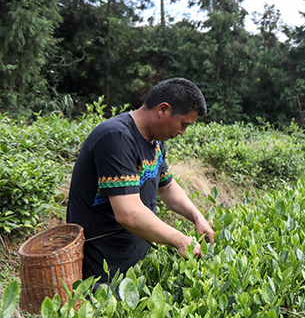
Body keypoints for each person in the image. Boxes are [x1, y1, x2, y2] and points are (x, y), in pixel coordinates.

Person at [67, 77, 215, 284]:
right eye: (183, 124)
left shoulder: (155, 140)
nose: (182, 132)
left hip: (132, 253)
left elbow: (167, 187)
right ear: (163, 109)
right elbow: (129, 214)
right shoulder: (116, 137)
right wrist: (181, 241)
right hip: (101, 262)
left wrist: (197, 217)